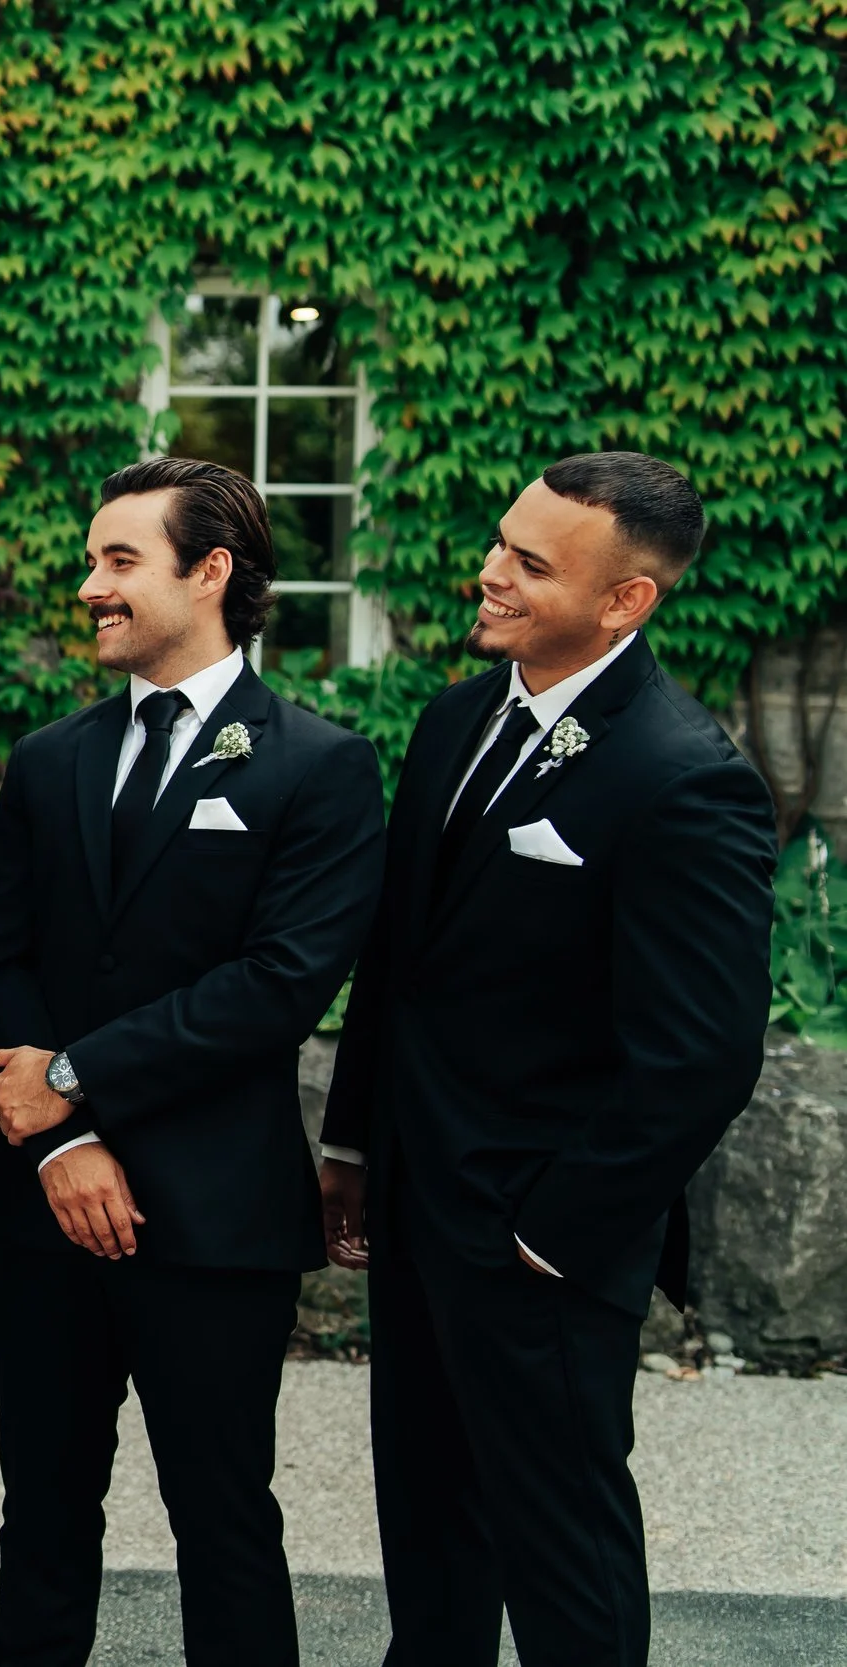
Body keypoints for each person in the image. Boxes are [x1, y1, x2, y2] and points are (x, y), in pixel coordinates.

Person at [318, 451, 775, 1667]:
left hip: (541, 1242)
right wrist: (355, 1140)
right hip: (416, 1207)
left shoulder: (685, 776)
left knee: (560, 1544)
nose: (490, 573)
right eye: (499, 543)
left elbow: (700, 1052)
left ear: (625, 601)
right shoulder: (456, 717)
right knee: (427, 1523)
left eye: (529, 562)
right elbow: (400, 959)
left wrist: (553, 1231)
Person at [0, 456, 383, 1665]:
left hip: (215, 1215)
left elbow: (274, 988)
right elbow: (0, 962)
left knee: (223, 1517)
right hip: (49, 1200)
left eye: (117, 560)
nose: (89, 583)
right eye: (91, 559)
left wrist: (75, 1076)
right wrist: (65, 1137)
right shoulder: (51, 757)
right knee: (39, 1513)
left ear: (209, 572)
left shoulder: (317, 763)